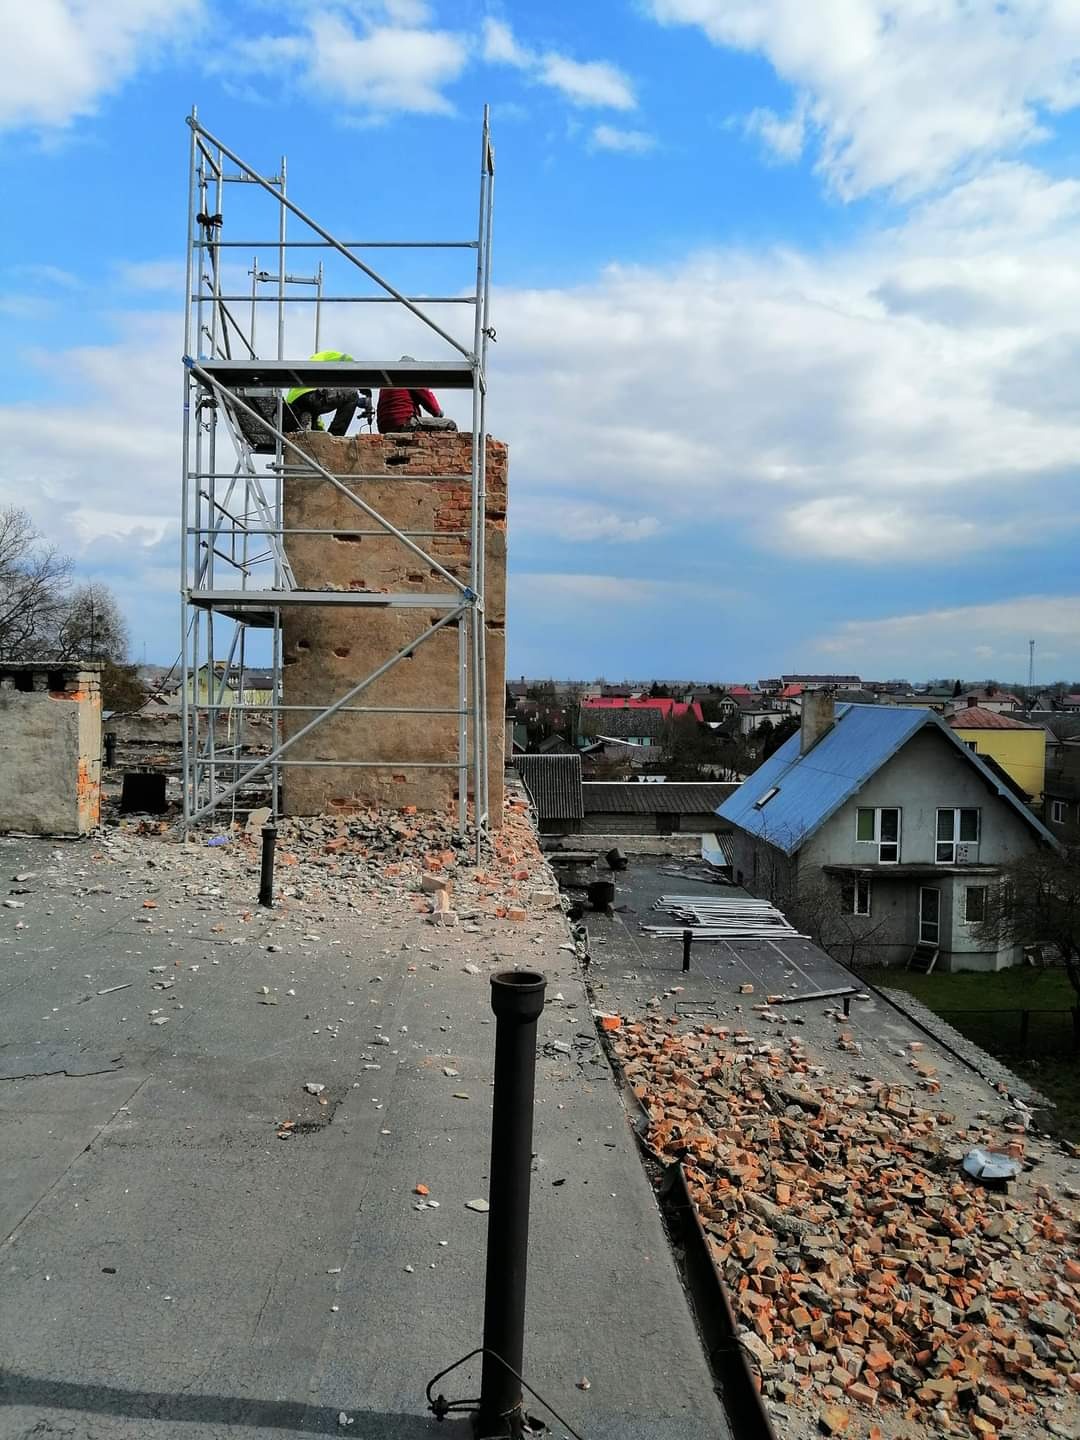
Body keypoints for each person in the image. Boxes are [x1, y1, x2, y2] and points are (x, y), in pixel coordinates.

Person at [284, 351, 372, 436]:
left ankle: (307, 428)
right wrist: (362, 386)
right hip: (312, 396)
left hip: (297, 405)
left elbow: (319, 422)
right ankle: (336, 435)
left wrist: (323, 435)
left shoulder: (304, 374)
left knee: (312, 424)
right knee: (353, 394)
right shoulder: (341, 358)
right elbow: (352, 365)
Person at [376, 357, 458, 433]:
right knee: (450, 425)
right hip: (404, 422)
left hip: (384, 428)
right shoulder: (409, 375)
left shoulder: (386, 384)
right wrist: (438, 413)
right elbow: (427, 397)